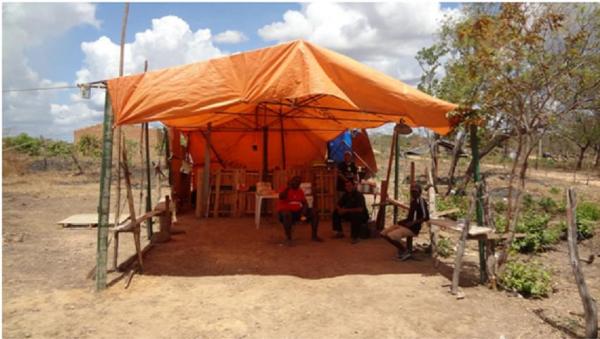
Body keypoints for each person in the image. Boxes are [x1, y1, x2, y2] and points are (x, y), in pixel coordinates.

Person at [380, 183, 429, 260]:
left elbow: (426, 217)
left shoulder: (421, 201)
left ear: (420, 192)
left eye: (415, 191)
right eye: (412, 191)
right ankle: (403, 250)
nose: (413, 193)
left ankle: (405, 251)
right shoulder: (413, 202)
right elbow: (410, 217)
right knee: (383, 234)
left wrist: (413, 222)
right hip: (407, 225)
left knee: (390, 236)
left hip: (413, 228)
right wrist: (401, 222)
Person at [277, 176, 322, 244]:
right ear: (291, 182)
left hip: (298, 212)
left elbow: (305, 203)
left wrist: (304, 212)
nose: (297, 184)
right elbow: (281, 196)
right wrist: (288, 188)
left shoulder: (300, 191)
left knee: (314, 212)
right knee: (287, 214)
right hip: (285, 212)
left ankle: (314, 236)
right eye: (295, 182)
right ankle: (288, 238)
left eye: (298, 182)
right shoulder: (284, 189)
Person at [332, 180, 369, 244]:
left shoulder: (359, 195)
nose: (348, 187)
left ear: (354, 186)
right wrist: (340, 209)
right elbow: (338, 204)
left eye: (349, 186)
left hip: (361, 215)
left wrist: (345, 210)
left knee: (355, 215)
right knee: (336, 212)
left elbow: (360, 209)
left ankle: (355, 237)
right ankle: (339, 232)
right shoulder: (346, 194)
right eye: (346, 186)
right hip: (350, 213)